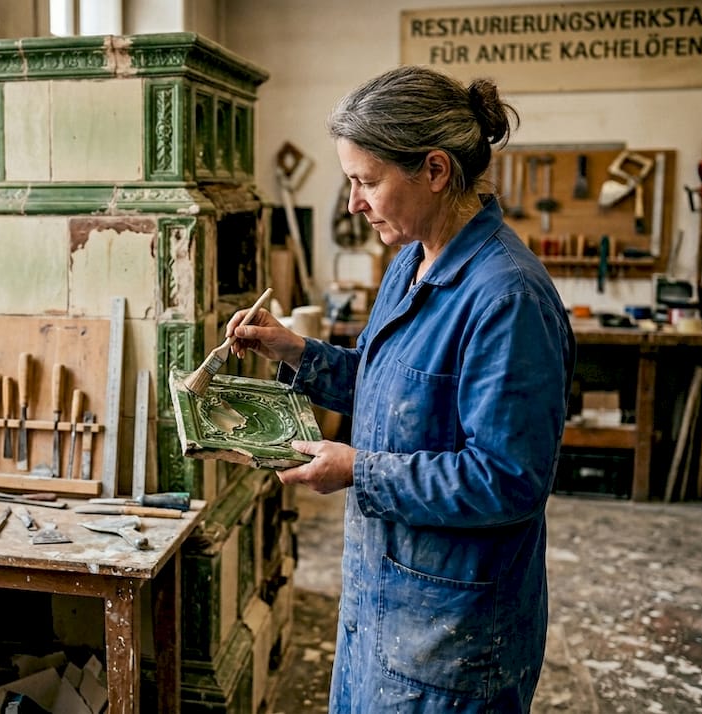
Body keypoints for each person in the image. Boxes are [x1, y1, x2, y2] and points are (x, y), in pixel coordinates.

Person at [228, 65, 575, 711]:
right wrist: (294, 349)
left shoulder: (507, 298)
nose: (356, 202)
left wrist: (360, 471)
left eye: (367, 181)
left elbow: (509, 479)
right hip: (382, 600)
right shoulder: (411, 263)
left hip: (453, 633)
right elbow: (389, 386)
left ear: (436, 170)